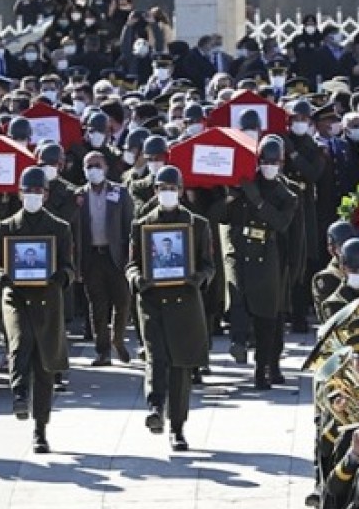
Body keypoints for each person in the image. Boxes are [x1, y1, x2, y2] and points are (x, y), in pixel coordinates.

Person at [0, 166, 76, 454]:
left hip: (47, 298)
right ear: (19, 193)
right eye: (28, 191)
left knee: (45, 364)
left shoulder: (60, 228)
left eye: (38, 191)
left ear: (46, 194)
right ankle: (18, 393)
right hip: (16, 295)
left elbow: (69, 267)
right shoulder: (5, 227)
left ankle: (40, 429)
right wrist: (1, 277)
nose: (33, 196)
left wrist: (60, 278)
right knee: (19, 340)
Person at [127, 166, 216, 451]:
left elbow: (209, 266)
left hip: (185, 303)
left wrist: (198, 278)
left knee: (181, 367)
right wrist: (136, 279)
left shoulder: (198, 225)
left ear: (180, 190)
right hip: (152, 301)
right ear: (155, 191)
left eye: (172, 187)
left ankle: (177, 427)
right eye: (161, 187)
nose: (167, 192)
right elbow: (131, 264)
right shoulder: (141, 226)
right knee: (155, 355)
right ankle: (155, 407)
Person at [222, 136, 299, 389]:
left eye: (273, 162)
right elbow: (221, 216)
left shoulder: (287, 194)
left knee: (267, 315)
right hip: (240, 249)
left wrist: (257, 200)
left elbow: (280, 222)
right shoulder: (245, 185)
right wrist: (231, 197)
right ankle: (239, 340)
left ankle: (263, 368)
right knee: (237, 297)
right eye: (265, 161)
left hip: (268, 255)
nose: (269, 166)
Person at [77, 150, 135, 366]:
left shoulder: (120, 193)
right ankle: (102, 351)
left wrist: (131, 257)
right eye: (89, 165)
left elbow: (131, 226)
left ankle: (117, 339)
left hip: (116, 256)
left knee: (122, 301)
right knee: (97, 305)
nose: (93, 169)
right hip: (92, 257)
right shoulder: (79, 196)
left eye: (97, 165)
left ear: (106, 168)